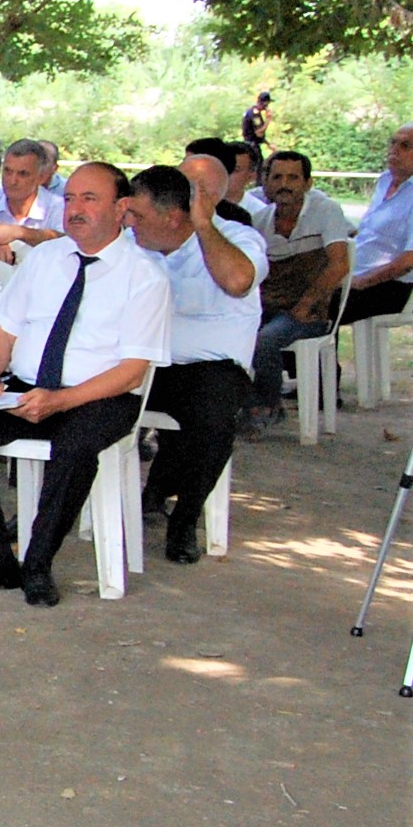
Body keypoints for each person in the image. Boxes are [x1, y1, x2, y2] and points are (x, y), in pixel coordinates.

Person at [0, 162, 171, 607]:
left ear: (122, 208)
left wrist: (61, 400)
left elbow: (132, 371)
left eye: (90, 199)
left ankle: (38, 563)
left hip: (98, 395)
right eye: (70, 199)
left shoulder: (144, 276)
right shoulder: (45, 258)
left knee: (75, 448)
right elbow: (1, 331)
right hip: (28, 387)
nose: (75, 209)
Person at [125, 161, 266, 563]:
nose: (131, 222)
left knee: (213, 413)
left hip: (209, 369)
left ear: (174, 217)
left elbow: (238, 281)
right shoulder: (135, 244)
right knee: (80, 399)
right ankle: (48, 511)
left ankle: (185, 518)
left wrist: (205, 227)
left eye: (139, 215)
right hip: (145, 363)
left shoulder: (238, 238)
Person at [247, 150, 353, 431]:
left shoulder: (326, 211)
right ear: (265, 183)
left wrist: (305, 304)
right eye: (277, 177)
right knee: (227, 335)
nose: (285, 184)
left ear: (307, 183)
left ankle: (267, 405)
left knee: (265, 341)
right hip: (268, 306)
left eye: (293, 177)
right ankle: (244, 404)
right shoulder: (260, 221)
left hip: (308, 311)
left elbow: (339, 265)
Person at [341, 123, 413, 325]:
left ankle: (315, 357)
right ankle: (318, 357)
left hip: (387, 286)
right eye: (393, 143)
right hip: (353, 275)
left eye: (405, 146)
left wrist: (363, 282)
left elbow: (408, 261)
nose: (394, 150)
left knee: (313, 306)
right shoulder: (384, 181)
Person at [182, 139, 255, 225]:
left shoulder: (236, 219)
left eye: (190, 165)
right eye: (184, 162)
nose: (182, 171)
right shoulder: (172, 207)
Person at [243, 91, 272, 164]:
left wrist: (268, 144)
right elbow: (259, 133)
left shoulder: (254, 112)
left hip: (251, 145)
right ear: (265, 103)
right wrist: (268, 120)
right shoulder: (254, 114)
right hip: (252, 146)